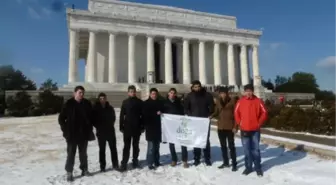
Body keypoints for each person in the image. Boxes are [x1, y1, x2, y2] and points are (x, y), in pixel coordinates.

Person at [58, 86, 95, 182]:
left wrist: (90, 128)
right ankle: (69, 172)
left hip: (83, 133)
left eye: (83, 92)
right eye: (79, 92)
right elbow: (61, 118)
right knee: (71, 154)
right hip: (72, 134)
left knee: (83, 154)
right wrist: (65, 131)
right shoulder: (69, 104)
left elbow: (91, 117)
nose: (81, 94)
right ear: (74, 93)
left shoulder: (86, 103)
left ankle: (84, 170)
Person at [234, 84, 268, 177]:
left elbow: (264, 112)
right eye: (247, 91)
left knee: (255, 150)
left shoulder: (258, 101)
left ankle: (258, 168)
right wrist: (239, 122)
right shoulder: (240, 101)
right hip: (244, 129)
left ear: (253, 91)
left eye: (250, 91)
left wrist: (258, 123)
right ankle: (248, 167)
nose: (248, 93)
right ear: (244, 92)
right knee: (247, 150)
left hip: (255, 130)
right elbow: (236, 112)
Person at [184, 80, 214, 166]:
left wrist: (210, 114)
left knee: (205, 140)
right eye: (195, 87)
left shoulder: (207, 95)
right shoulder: (190, 96)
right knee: (196, 139)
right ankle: (196, 158)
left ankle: (207, 158)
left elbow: (212, 106)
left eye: (198, 86)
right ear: (192, 88)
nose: (197, 88)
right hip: (195, 121)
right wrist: (190, 115)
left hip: (205, 120)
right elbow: (186, 107)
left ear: (201, 87)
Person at [210, 87, 238, 171]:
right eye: (221, 93)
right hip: (221, 127)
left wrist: (235, 127)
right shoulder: (218, 101)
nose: (223, 95)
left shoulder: (232, 101)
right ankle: (226, 162)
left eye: (224, 93)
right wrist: (211, 115)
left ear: (227, 93)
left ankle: (234, 164)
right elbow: (217, 111)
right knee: (223, 146)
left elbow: (236, 114)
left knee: (231, 146)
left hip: (230, 127)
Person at [119, 85, 144, 172]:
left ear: (135, 92)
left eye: (133, 91)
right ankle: (124, 163)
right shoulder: (125, 102)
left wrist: (142, 126)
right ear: (128, 92)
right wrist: (120, 126)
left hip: (137, 127)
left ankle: (135, 161)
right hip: (127, 127)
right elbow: (122, 115)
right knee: (126, 146)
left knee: (136, 146)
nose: (132, 93)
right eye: (130, 91)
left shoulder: (140, 102)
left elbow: (143, 116)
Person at [163, 88, 189, 168]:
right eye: (171, 93)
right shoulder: (164, 103)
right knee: (171, 143)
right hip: (170, 125)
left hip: (179, 124)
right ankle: (174, 159)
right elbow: (163, 112)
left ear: (176, 94)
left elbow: (183, 112)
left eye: (174, 93)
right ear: (168, 93)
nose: (172, 94)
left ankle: (185, 160)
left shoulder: (179, 102)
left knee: (183, 143)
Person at [92, 93, 118, 172]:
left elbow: (113, 118)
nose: (102, 100)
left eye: (104, 98)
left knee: (113, 149)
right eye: (101, 98)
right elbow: (93, 120)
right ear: (99, 99)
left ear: (106, 99)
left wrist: (109, 124)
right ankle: (102, 166)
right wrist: (99, 127)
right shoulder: (95, 109)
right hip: (101, 133)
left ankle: (115, 164)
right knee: (102, 150)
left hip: (110, 131)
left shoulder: (110, 108)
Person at [142, 88, 164, 170]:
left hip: (158, 128)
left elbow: (163, 111)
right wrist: (155, 113)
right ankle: (150, 163)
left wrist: (161, 112)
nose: (154, 95)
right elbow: (145, 115)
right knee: (150, 147)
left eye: (155, 94)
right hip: (150, 128)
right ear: (150, 94)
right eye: (153, 94)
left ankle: (157, 161)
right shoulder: (146, 103)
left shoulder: (160, 103)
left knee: (157, 146)